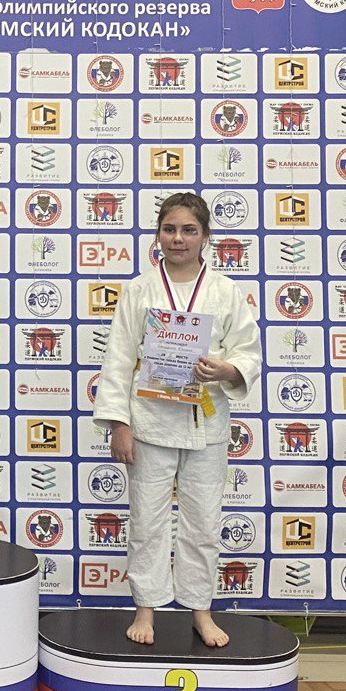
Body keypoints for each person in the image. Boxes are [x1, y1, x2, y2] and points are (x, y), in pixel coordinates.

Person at [92, 192, 261, 646]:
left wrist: (226, 370)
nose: (178, 238)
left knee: (203, 523)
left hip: (206, 421)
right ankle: (145, 609)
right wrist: (119, 424)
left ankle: (200, 610)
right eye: (169, 229)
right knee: (147, 521)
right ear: (157, 235)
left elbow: (248, 351)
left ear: (206, 236)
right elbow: (118, 358)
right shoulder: (140, 289)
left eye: (189, 230)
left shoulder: (224, 290)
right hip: (149, 421)